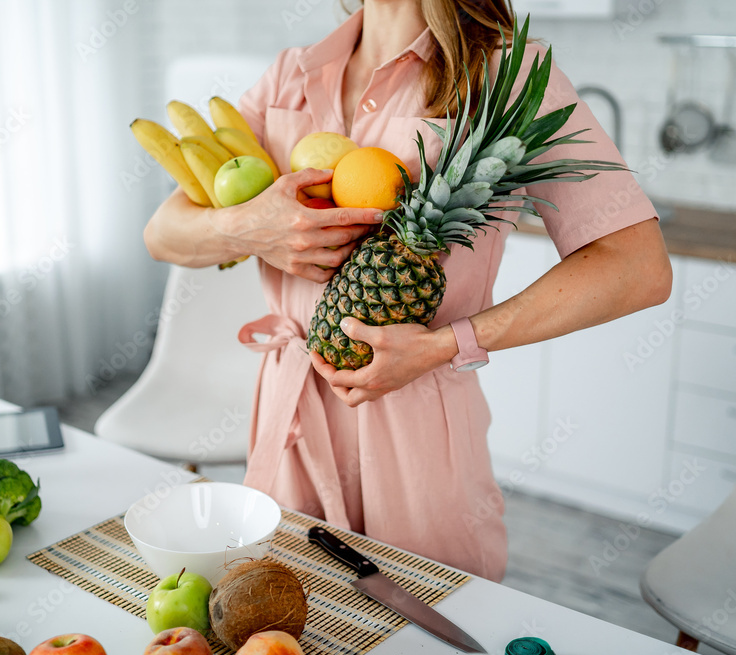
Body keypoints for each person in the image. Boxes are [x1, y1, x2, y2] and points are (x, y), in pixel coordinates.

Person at [143, 0, 672, 582]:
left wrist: (448, 343)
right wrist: (250, 227)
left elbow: (638, 267)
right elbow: (163, 234)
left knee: (427, 627)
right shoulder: (290, 74)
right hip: (290, 414)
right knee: (286, 621)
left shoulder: (506, 74)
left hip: (418, 428)